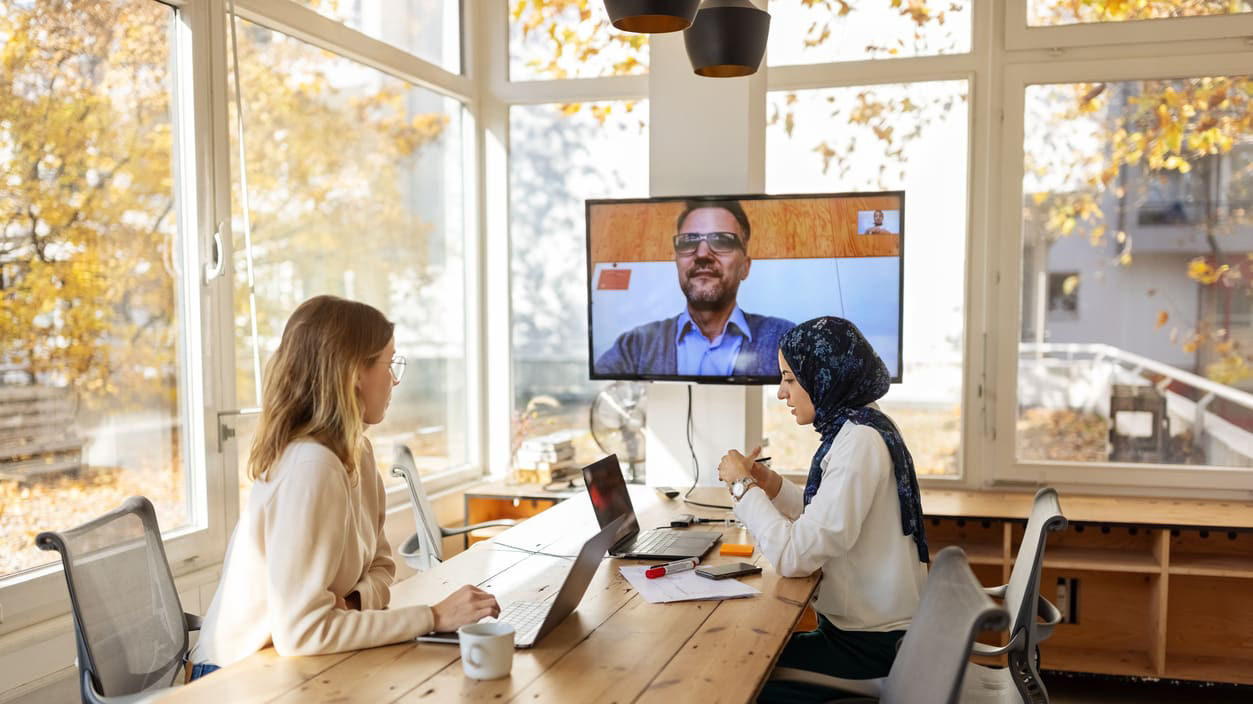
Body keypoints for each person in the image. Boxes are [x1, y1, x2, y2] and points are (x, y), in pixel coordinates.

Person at [188, 295, 499, 679]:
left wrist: (351, 603)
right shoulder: (311, 468)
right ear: (355, 373)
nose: (395, 379)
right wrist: (433, 616)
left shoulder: (357, 451)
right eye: (389, 363)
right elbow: (302, 633)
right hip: (229, 679)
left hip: (291, 666)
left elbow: (383, 565)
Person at [716, 316, 929, 703]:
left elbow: (793, 556)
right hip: (870, 635)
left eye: (790, 379)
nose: (782, 393)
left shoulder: (859, 442)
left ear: (825, 376)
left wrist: (741, 485)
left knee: (733, 676)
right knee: (742, 658)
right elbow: (829, 517)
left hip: (870, 649)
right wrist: (769, 484)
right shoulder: (861, 425)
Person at [595, 199, 794, 377]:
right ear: (676, 263)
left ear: (745, 267)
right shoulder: (634, 347)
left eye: (722, 240)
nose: (702, 254)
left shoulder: (785, 340)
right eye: (688, 242)